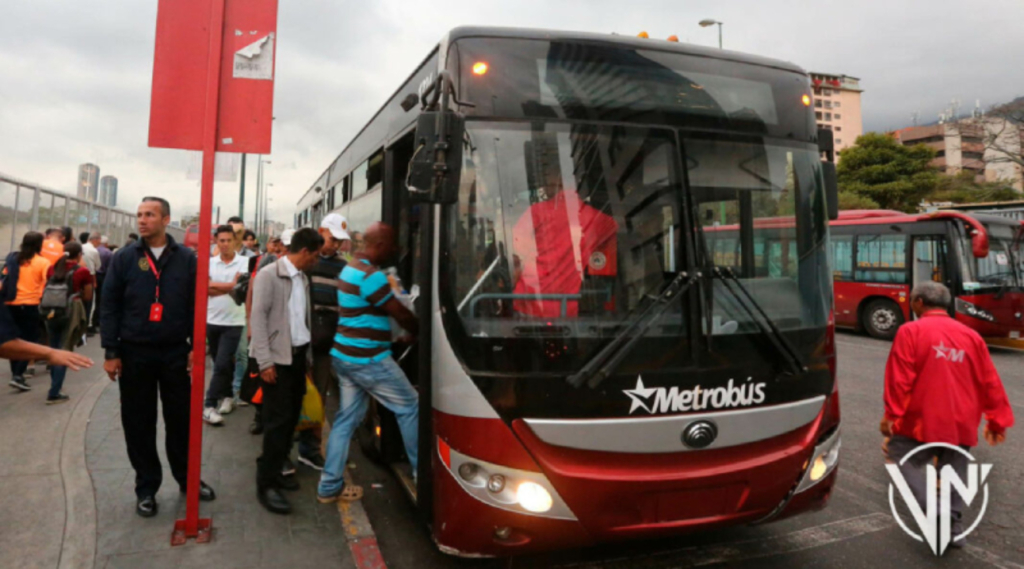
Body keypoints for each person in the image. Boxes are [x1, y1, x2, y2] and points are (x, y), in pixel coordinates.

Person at [101, 197, 215, 517]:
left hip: (175, 352)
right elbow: (109, 305)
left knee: (181, 420)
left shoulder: (186, 259)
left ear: (166, 219)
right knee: (139, 422)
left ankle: (187, 480)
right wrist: (111, 351)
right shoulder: (124, 258)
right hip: (135, 353)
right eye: (139, 215)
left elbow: (196, 303)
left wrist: (196, 344)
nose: (142, 220)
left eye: (149, 215)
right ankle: (147, 487)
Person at [881, 281, 1014, 549]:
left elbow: (900, 380)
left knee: (899, 456)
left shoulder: (911, 331)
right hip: (961, 420)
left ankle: (933, 509)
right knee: (953, 470)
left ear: (918, 302)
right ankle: (953, 529)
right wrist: (997, 421)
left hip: (920, 420)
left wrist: (891, 416)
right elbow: (990, 382)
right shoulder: (971, 336)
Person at [318, 222, 419, 504]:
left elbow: (364, 313)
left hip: (345, 357)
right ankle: (422, 477)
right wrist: (416, 331)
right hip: (368, 359)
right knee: (410, 406)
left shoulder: (349, 269)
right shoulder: (370, 276)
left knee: (345, 421)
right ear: (379, 245)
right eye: (391, 245)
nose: (396, 250)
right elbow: (399, 313)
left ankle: (328, 487)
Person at [249, 227, 323, 514]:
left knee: (291, 420)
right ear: (304, 252)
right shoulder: (270, 275)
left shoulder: (303, 278)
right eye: (314, 255)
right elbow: (258, 318)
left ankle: (276, 469)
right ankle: (266, 483)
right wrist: (265, 362)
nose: (316, 260)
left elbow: (301, 320)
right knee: (277, 423)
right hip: (276, 361)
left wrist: (308, 361)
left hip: (297, 359)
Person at [296, 213, 350, 471]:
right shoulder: (307, 261)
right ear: (320, 232)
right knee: (295, 394)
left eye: (339, 242)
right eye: (332, 239)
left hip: (327, 339)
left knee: (318, 394)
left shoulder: (343, 267)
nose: (335, 246)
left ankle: (310, 449)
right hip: (302, 337)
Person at [202, 225, 249, 425]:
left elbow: (242, 291)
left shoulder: (245, 262)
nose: (226, 244)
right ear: (216, 241)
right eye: (222, 240)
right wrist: (231, 285)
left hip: (234, 320)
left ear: (235, 241)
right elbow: (204, 288)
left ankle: (209, 404)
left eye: (229, 240)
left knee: (221, 363)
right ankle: (228, 395)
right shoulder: (209, 262)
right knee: (222, 363)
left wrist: (215, 285)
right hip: (212, 319)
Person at [41, 241, 92, 404]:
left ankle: (55, 386)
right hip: (71, 311)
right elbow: (88, 296)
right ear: (79, 255)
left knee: (53, 349)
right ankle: (54, 392)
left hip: (49, 311)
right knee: (64, 350)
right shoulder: (82, 271)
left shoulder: (52, 269)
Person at [4, 232, 52, 391]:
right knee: (30, 340)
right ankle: (18, 375)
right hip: (30, 304)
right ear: (39, 245)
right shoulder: (42, 262)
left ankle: (15, 373)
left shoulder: (13, 259)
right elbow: (45, 285)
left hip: (9, 303)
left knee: (14, 339)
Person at [80, 232, 102, 336]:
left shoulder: (80, 247)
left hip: (77, 276)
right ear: (95, 240)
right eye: (99, 241)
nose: (99, 243)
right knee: (90, 303)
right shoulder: (94, 251)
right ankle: (88, 326)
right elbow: (98, 266)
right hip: (90, 277)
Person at [94, 235, 113, 333]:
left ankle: (92, 321)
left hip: (93, 275)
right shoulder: (108, 252)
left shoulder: (94, 250)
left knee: (93, 300)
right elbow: (110, 268)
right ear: (106, 244)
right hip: (103, 277)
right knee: (101, 299)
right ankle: (98, 320)